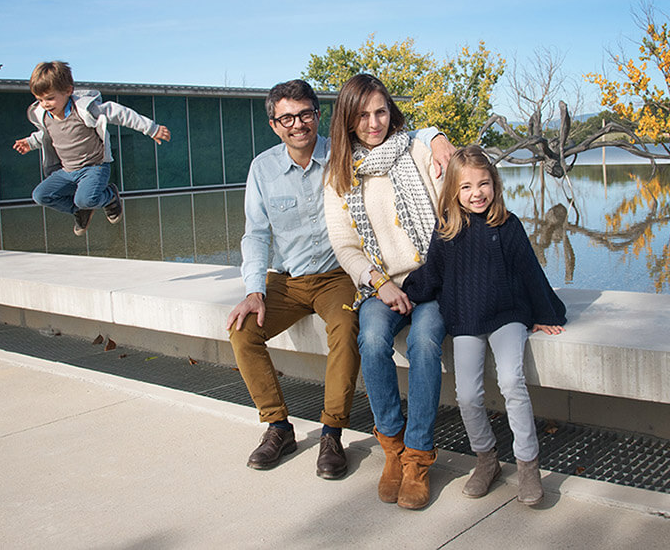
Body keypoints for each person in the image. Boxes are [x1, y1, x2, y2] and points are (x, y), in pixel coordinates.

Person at [226, 79, 453, 480]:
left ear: (319, 115)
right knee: (243, 330)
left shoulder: (343, 155)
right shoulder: (263, 169)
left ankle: (333, 432)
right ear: (274, 124)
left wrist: (436, 136)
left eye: (306, 114)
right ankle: (278, 426)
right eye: (287, 118)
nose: (298, 124)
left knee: (351, 327)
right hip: (289, 277)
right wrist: (253, 290)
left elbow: (401, 136)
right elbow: (256, 234)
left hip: (338, 277)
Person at [402, 144, 567, 506]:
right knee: (468, 395)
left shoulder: (508, 226)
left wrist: (547, 314)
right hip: (465, 319)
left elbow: (530, 272)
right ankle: (487, 459)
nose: (476, 193)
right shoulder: (447, 229)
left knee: (511, 382)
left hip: (507, 316)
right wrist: (403, 293)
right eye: (466, 187)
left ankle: (527, 465)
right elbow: (432, 274)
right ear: (453, 192)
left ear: (495, 184)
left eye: (483, 184)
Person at [323, 74, 446, 510]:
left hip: (431, 280)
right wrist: (381, 284)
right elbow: (345, 245)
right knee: (372, 339)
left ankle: (417, 456)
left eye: (380, 111)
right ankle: (391, 449)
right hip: (381, 284)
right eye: (363, 115)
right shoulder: (340, 173)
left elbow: (454, 207)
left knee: (426, 343)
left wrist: (437, 136)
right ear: (348, 120)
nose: (373, 123)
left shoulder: (416, 149)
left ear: (390, 112)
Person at [13, 61, 171, 236]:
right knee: (41, 195)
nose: (45, 104)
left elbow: (120, 113)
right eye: (39, 100)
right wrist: (30, 143)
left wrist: (151, 129)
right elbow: (45, 135)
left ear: (68, 91)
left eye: (50, 98)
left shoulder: (84, 109)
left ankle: (110, 196)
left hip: (94, 167)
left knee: (86, 199)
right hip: (67, 171)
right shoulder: (45, 117)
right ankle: (80, 211)